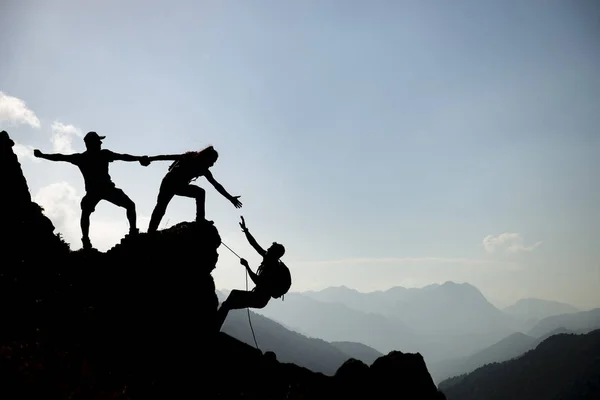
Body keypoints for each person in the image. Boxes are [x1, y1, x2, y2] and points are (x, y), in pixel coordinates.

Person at [34, 131, 150, 249]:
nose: (100, 143)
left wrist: (43, 155)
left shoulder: (83, 157)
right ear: (93, 143)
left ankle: (88, 239)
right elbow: (60, 157)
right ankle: (129, 233)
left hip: (97, 191)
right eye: (98, 142)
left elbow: (60, 157)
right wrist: (139, 158)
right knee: (127, 206)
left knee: (89, 212)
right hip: (103, 189)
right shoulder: (99, 155)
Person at [215, 216, 289, 332]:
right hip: (258, 298)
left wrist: (247, 266)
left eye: (271, 248)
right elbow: (254, 244)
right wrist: (246, 230)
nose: (268, 248)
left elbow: (258, 282)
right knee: (229, 302)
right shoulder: (268, 258)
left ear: (275, 253)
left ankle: (213, 327)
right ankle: (214, 326)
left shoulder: (272, 268)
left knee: (230, 299)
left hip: (259, 299)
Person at [145, 146, 242, 233]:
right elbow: (167, 157)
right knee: (161, 207)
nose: (212, 165)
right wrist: (150, 159)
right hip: (168, 183)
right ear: (207, 158)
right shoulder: (190, 157)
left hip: (180, 186)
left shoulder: (204, 170)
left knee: (200, 192)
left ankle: (200, 219)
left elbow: (216, 185)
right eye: (212, 161)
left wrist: (230, 198)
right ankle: (151, 232)